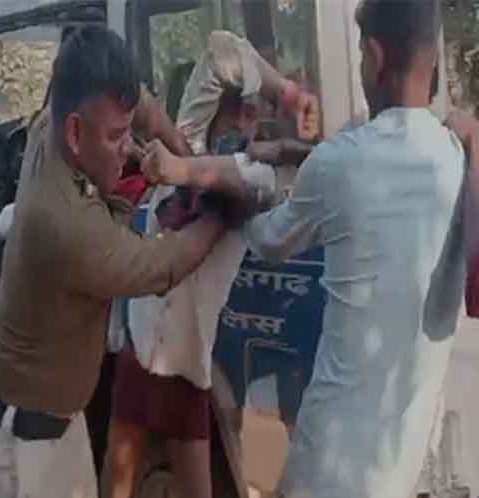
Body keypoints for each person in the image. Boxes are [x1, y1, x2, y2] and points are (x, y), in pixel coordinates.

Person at [145, 2, 465, 496]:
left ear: (374, 57)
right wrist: (281, 150)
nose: (252, 126)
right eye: (246, 112)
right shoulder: (455, 159)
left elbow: (267, 237)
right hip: (401, 467)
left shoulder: (337, 164)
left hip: (327, 469)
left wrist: (225, 187)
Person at [0, 25, 227, 498]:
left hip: (48, 427)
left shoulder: (52, 124)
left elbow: (136, 102)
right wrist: (223, 209)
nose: (127, 148)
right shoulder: (67, 226)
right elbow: (163, 265)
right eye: (116, 137)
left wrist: (179, 152)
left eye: (128, 133)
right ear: (75, 132)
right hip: (29, 452)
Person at [103, 30, 317, 498]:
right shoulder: (186, 143)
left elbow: (229, 181)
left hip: (188, 373)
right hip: (139, 352)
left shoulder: (257, 179)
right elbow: (222, 50)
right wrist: (289, 93)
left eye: (254, 114)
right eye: (239, 108)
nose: (246, 122)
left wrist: (279, 146)